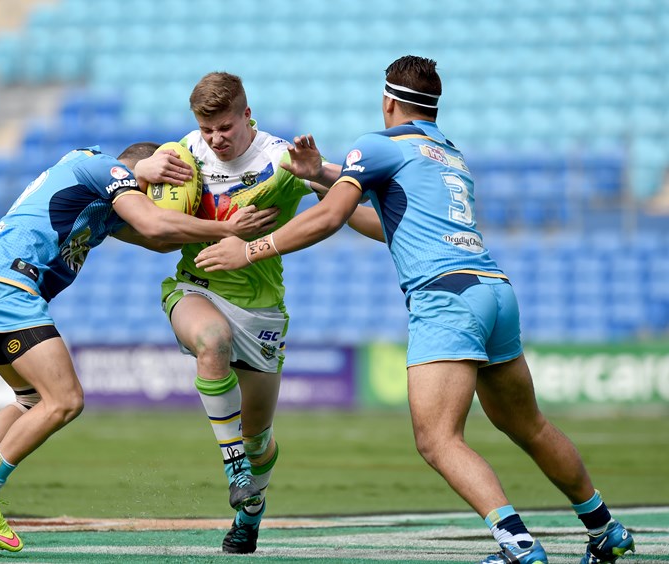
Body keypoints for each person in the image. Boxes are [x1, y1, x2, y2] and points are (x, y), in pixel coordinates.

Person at [195, 56, 636, 564]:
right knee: (529, 425)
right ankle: (605, 528)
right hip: (492, 289)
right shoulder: (448, 152)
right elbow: (387, 223)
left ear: (388, 101)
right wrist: (323, 175)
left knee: (437, 440)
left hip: (446, 298)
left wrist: (251, 249)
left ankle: (517, 544)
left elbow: (332, 217)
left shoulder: (378, 144)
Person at [0, 142, 279, 557]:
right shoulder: (101, 167)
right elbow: (153, 223)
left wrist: (207, 222)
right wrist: (227, 229)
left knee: (31, 401)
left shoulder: (100, 203)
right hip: (8, 285)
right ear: (143, 171)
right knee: (65, 401)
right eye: (154, 191)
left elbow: (159, 240)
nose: (151, 200)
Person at [145, 71, 328, 554]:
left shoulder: (280, 159)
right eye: (206, 129)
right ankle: (235, 470)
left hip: (260, 309)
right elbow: (150, 217)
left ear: (247, 115)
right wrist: (144, 170)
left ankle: (250, 510)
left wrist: (320, 175)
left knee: (259, 440)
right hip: (196, 286)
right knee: (213, 341)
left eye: (224, 127)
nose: (215, 139)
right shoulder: (184, 154)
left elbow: (338, 207)